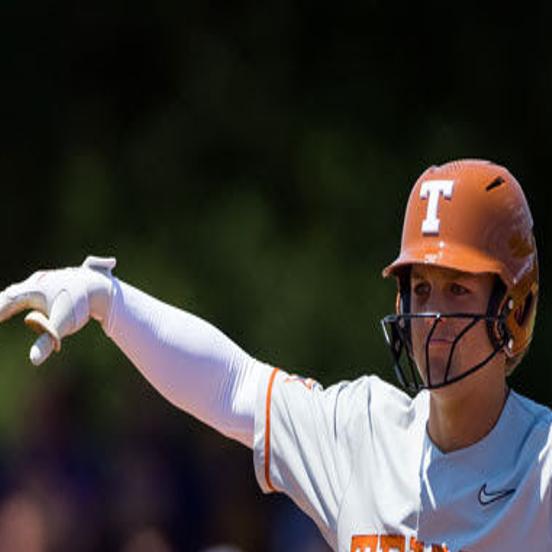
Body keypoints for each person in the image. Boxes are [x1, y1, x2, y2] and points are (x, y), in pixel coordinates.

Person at [0, 159, 549, 552]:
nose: (430, 318)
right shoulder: (361, 431)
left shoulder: (542, 466)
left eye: (457, 290)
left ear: (514, 310)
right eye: (420, 290)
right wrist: (108, 301)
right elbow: (231, 382)